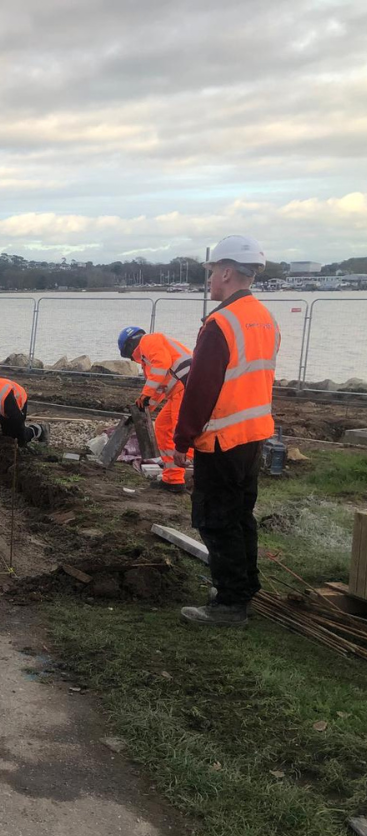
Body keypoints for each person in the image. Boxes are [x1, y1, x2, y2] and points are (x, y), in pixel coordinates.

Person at [174, 235, 280, 626]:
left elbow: (202, 389)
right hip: (254, 434)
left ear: (227, 271)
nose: (210, 280)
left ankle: (230, 604)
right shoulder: (264, 317)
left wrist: (182, 439)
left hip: (222, 439)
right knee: (240, 516)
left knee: (216, 519)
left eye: (212, 272)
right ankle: (243, 588)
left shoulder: (221, 323)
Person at [117, 327, 193, 492]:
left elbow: (161, 366)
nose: (133, 360)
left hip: (188, 388)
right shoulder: (148, 357)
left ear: (129, 347)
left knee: (181, 433)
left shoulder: (149, 341)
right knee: (162, 427)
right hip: (180, 391)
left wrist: (144, 396)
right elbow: (158, 388)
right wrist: (143, 409)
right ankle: (172, 479)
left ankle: (194, 472)